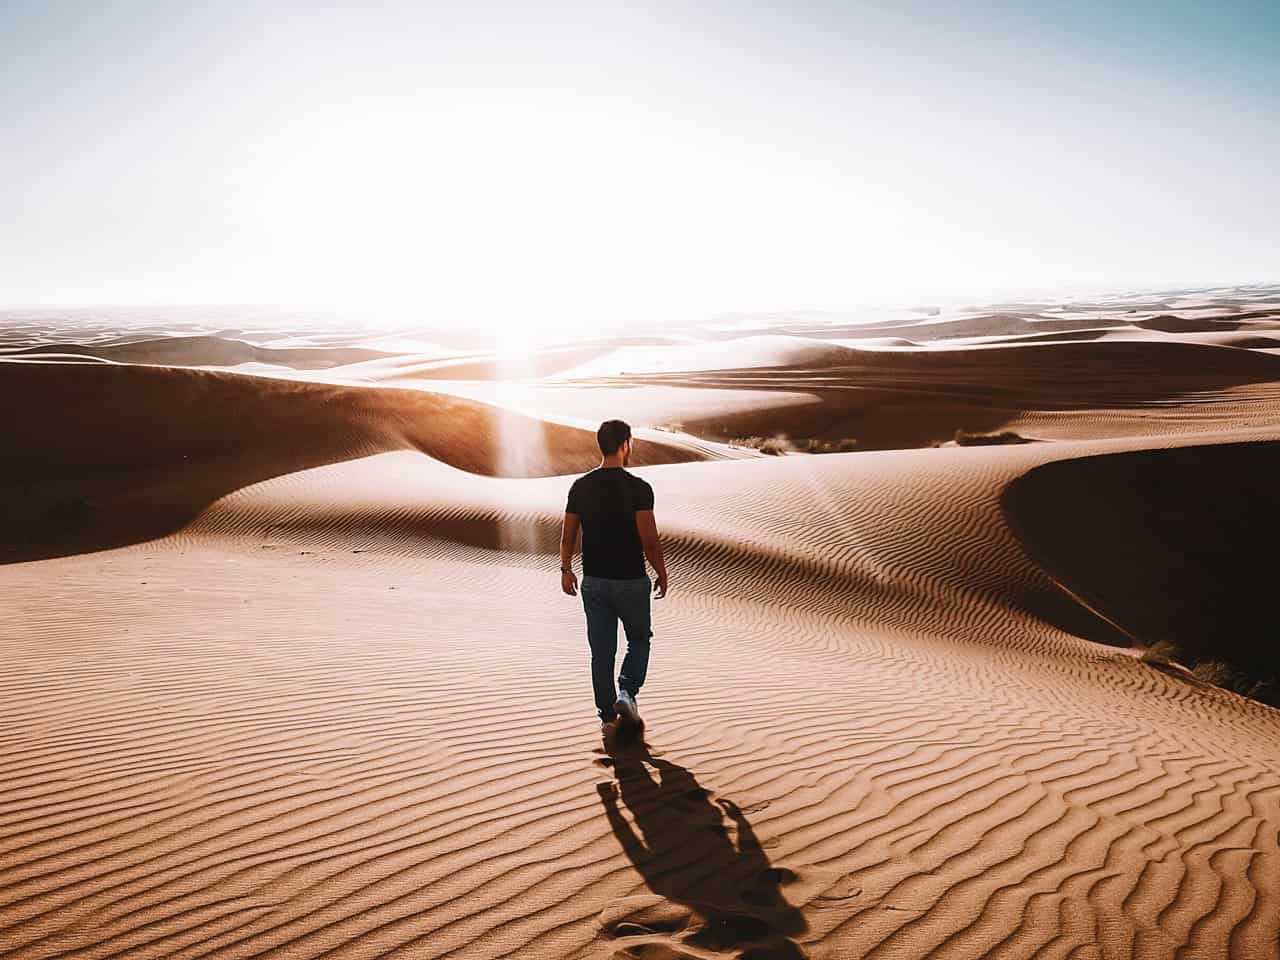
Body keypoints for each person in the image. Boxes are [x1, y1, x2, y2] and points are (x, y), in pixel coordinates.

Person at [561, 419, 668, 731]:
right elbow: (649, 539)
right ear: (625, 445)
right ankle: (627, 693)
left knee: (602, 653)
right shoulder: (639, 489)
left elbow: (568, 536)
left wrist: (566, 570)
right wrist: (661, 572)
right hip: (631, 582)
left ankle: (608, 719)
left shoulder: (580, 487)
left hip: (593, 583)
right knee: (638, 639)